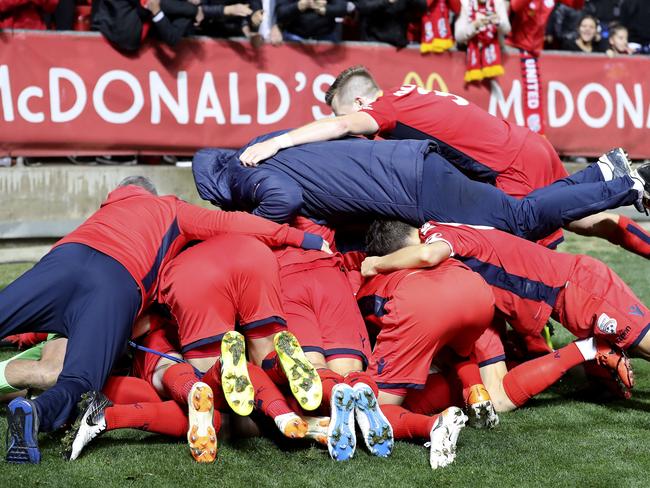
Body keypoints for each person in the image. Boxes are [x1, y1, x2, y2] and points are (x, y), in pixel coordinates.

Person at [1, 175, 327, 464]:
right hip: (117, 281)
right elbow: (233, 224)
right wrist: (303, 239)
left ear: (115, 194)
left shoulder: (100, 215)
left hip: (63, 259)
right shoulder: (170, 208)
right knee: (80, 381)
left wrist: (24, 335)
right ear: (151, 193)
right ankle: (36, 413)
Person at [238, 66, 650, 259]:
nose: (353, 130)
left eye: (348, 115)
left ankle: (622, 182)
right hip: (522, 144)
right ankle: (609, 176)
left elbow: (342, 125)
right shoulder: (409, 92)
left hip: (509, 167)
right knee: (586, 221)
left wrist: (282, 141)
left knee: (523, 243)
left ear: (362, 101)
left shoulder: (383, 109)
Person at [359, 219, 650, 397]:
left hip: (580, 286)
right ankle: (594, 349)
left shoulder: (434, 234)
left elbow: (425, 255)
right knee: (616, 373)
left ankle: (597, 348)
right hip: (561, 299)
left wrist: (377, 264)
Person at [195, 136, 649, 247]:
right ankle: (603, 170)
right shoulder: (268, 149)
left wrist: (246, 229)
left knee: (522, 219)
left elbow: (284, 201)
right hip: (414, 167)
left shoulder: (242, 174)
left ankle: (626, 183)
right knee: (519, 211)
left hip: (411, 187)